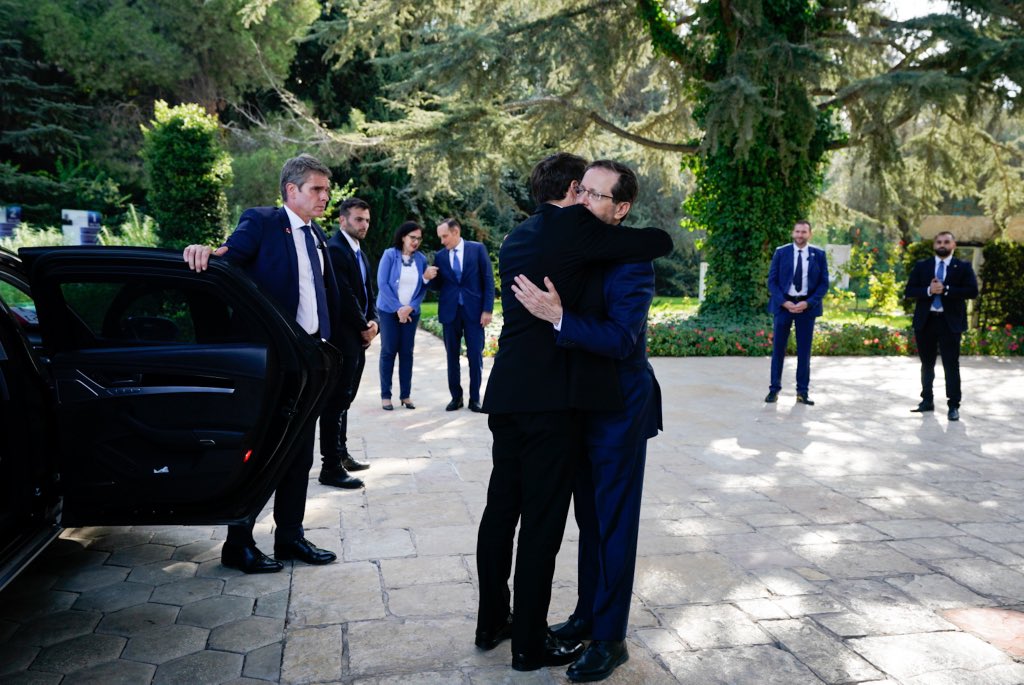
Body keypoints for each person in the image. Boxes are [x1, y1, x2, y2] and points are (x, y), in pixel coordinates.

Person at [475, 152, 673, 672]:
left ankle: (611, 637)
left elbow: (621, 338)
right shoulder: (579, 241)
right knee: (586, 521)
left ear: (622, 208)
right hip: (574, 406)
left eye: (595, 194)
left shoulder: (631, 262)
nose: (582, 199)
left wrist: (561, 318)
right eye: (580, 189)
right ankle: (587, 615)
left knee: (611, 523)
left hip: (619, 407)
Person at [182, 153, 338, 573]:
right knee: (262, 452)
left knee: (300, 455)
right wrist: (203, 251)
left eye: (326, 189)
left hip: (310, 360)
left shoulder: (317, 236)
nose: (325, 196)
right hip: (270, 361)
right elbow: (228, 259)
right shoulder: (263, 221)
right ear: (292, 190)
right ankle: (239, 543)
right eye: (317, 189)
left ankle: (290, 537)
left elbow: (321, 294)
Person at [318, 198, 378, 486]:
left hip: (359, 337)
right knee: (335, 400)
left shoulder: (359, 251)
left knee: (346, 398)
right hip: (342, 338)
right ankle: (330, 466)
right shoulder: (336, 250)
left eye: (366, 220)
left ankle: (341, 454)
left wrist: (374, 321)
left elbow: (369, 293)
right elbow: (344, 297)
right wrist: (364, 326)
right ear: (342, 220)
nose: (364, 224)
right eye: (358, 219)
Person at [905, 231, 979, 421]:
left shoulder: (962, 267)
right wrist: (929, 290)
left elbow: (972, 291)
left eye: (946, 242)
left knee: (951, 365)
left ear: (953, 245)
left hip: (950, 323)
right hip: (926, 321)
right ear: (934, 245)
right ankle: (926, 401)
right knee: (927, 364)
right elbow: (909, 290)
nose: (942, 245)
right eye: (938, 242)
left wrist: (946, 290)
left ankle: (953, 405)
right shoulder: (923, 266)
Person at [430, 218, 495, 412]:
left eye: (444, 236)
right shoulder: (440, 256)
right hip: (450, 313)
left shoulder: (477, 249)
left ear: (456, 232)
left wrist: (487, 310)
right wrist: (428, 278)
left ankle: (475, 399)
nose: (442, 241)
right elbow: (437, 285)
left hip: (474, 312)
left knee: (475, 356)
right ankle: (456, 397)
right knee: (452, 357)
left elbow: (488, 280)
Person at [765, 220, 829, 405]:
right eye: (797, 232)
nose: (800, 235)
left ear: (810, 234)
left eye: (804, 232)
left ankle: (802, 393)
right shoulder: (781, 252)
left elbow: (823, 284)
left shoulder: (819, 254)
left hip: (806, 308)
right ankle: (773, 390)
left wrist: (808, 303)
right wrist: (784, 302)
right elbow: (772, 281)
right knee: (778, 350)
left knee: (804, 352)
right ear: (793, 233)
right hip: (783, 306)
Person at [375, 221, 435, 409]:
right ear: (403, 237)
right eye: (412, 237)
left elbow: (422, 289)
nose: (416, 242)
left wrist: (410, 308)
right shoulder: (389, 255)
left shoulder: (421, 259)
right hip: (388, 311)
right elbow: (382, 284)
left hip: (411, 314)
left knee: (407, 353)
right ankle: (386, 396)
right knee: (388, 352)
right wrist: (399, 308)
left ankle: (405, 395)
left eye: (418, 238)